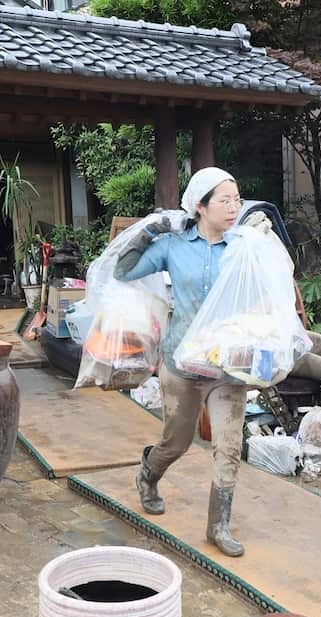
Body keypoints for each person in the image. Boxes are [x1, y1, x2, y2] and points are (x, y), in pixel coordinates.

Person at [116, 167, 262, 558]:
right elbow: (122, 270)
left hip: (228, 368)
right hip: (182, 365)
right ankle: (149, 474)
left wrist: (268, 243)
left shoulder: (244, 247)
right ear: (200, 206)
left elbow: (270, 293)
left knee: (229, 446)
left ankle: (219, 526)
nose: (235, 208)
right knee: (177, 442)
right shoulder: (174, 246)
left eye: (238, 200)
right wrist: (150, 230)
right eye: (225, 201)